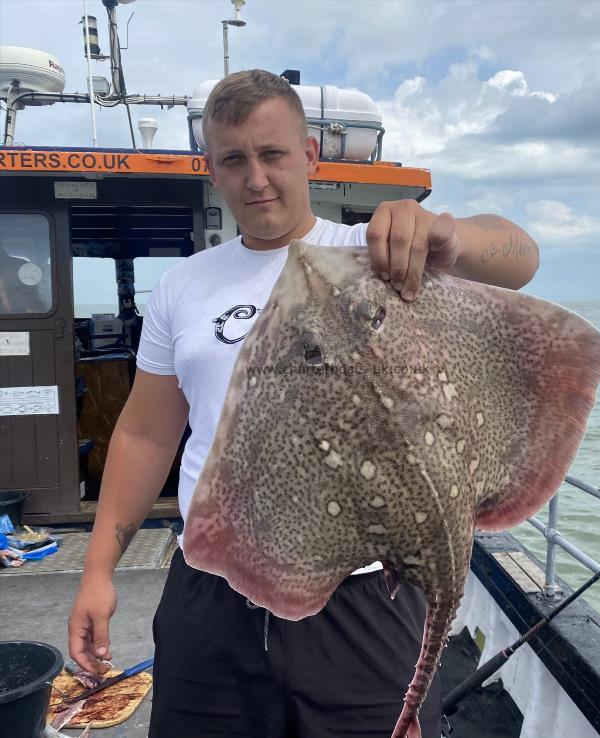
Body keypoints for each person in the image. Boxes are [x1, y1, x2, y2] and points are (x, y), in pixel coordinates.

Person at [68, 69, 540, 738]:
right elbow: (146, 435)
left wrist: (449, 236)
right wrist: (97, 572)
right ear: (212, 171)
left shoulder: (377, 254)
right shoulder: (183, 286)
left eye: (273, 154)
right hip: (213, 587)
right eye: (234, 159)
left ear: (310, 156)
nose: (256, 177)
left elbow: (521, 256)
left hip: (364, 589)